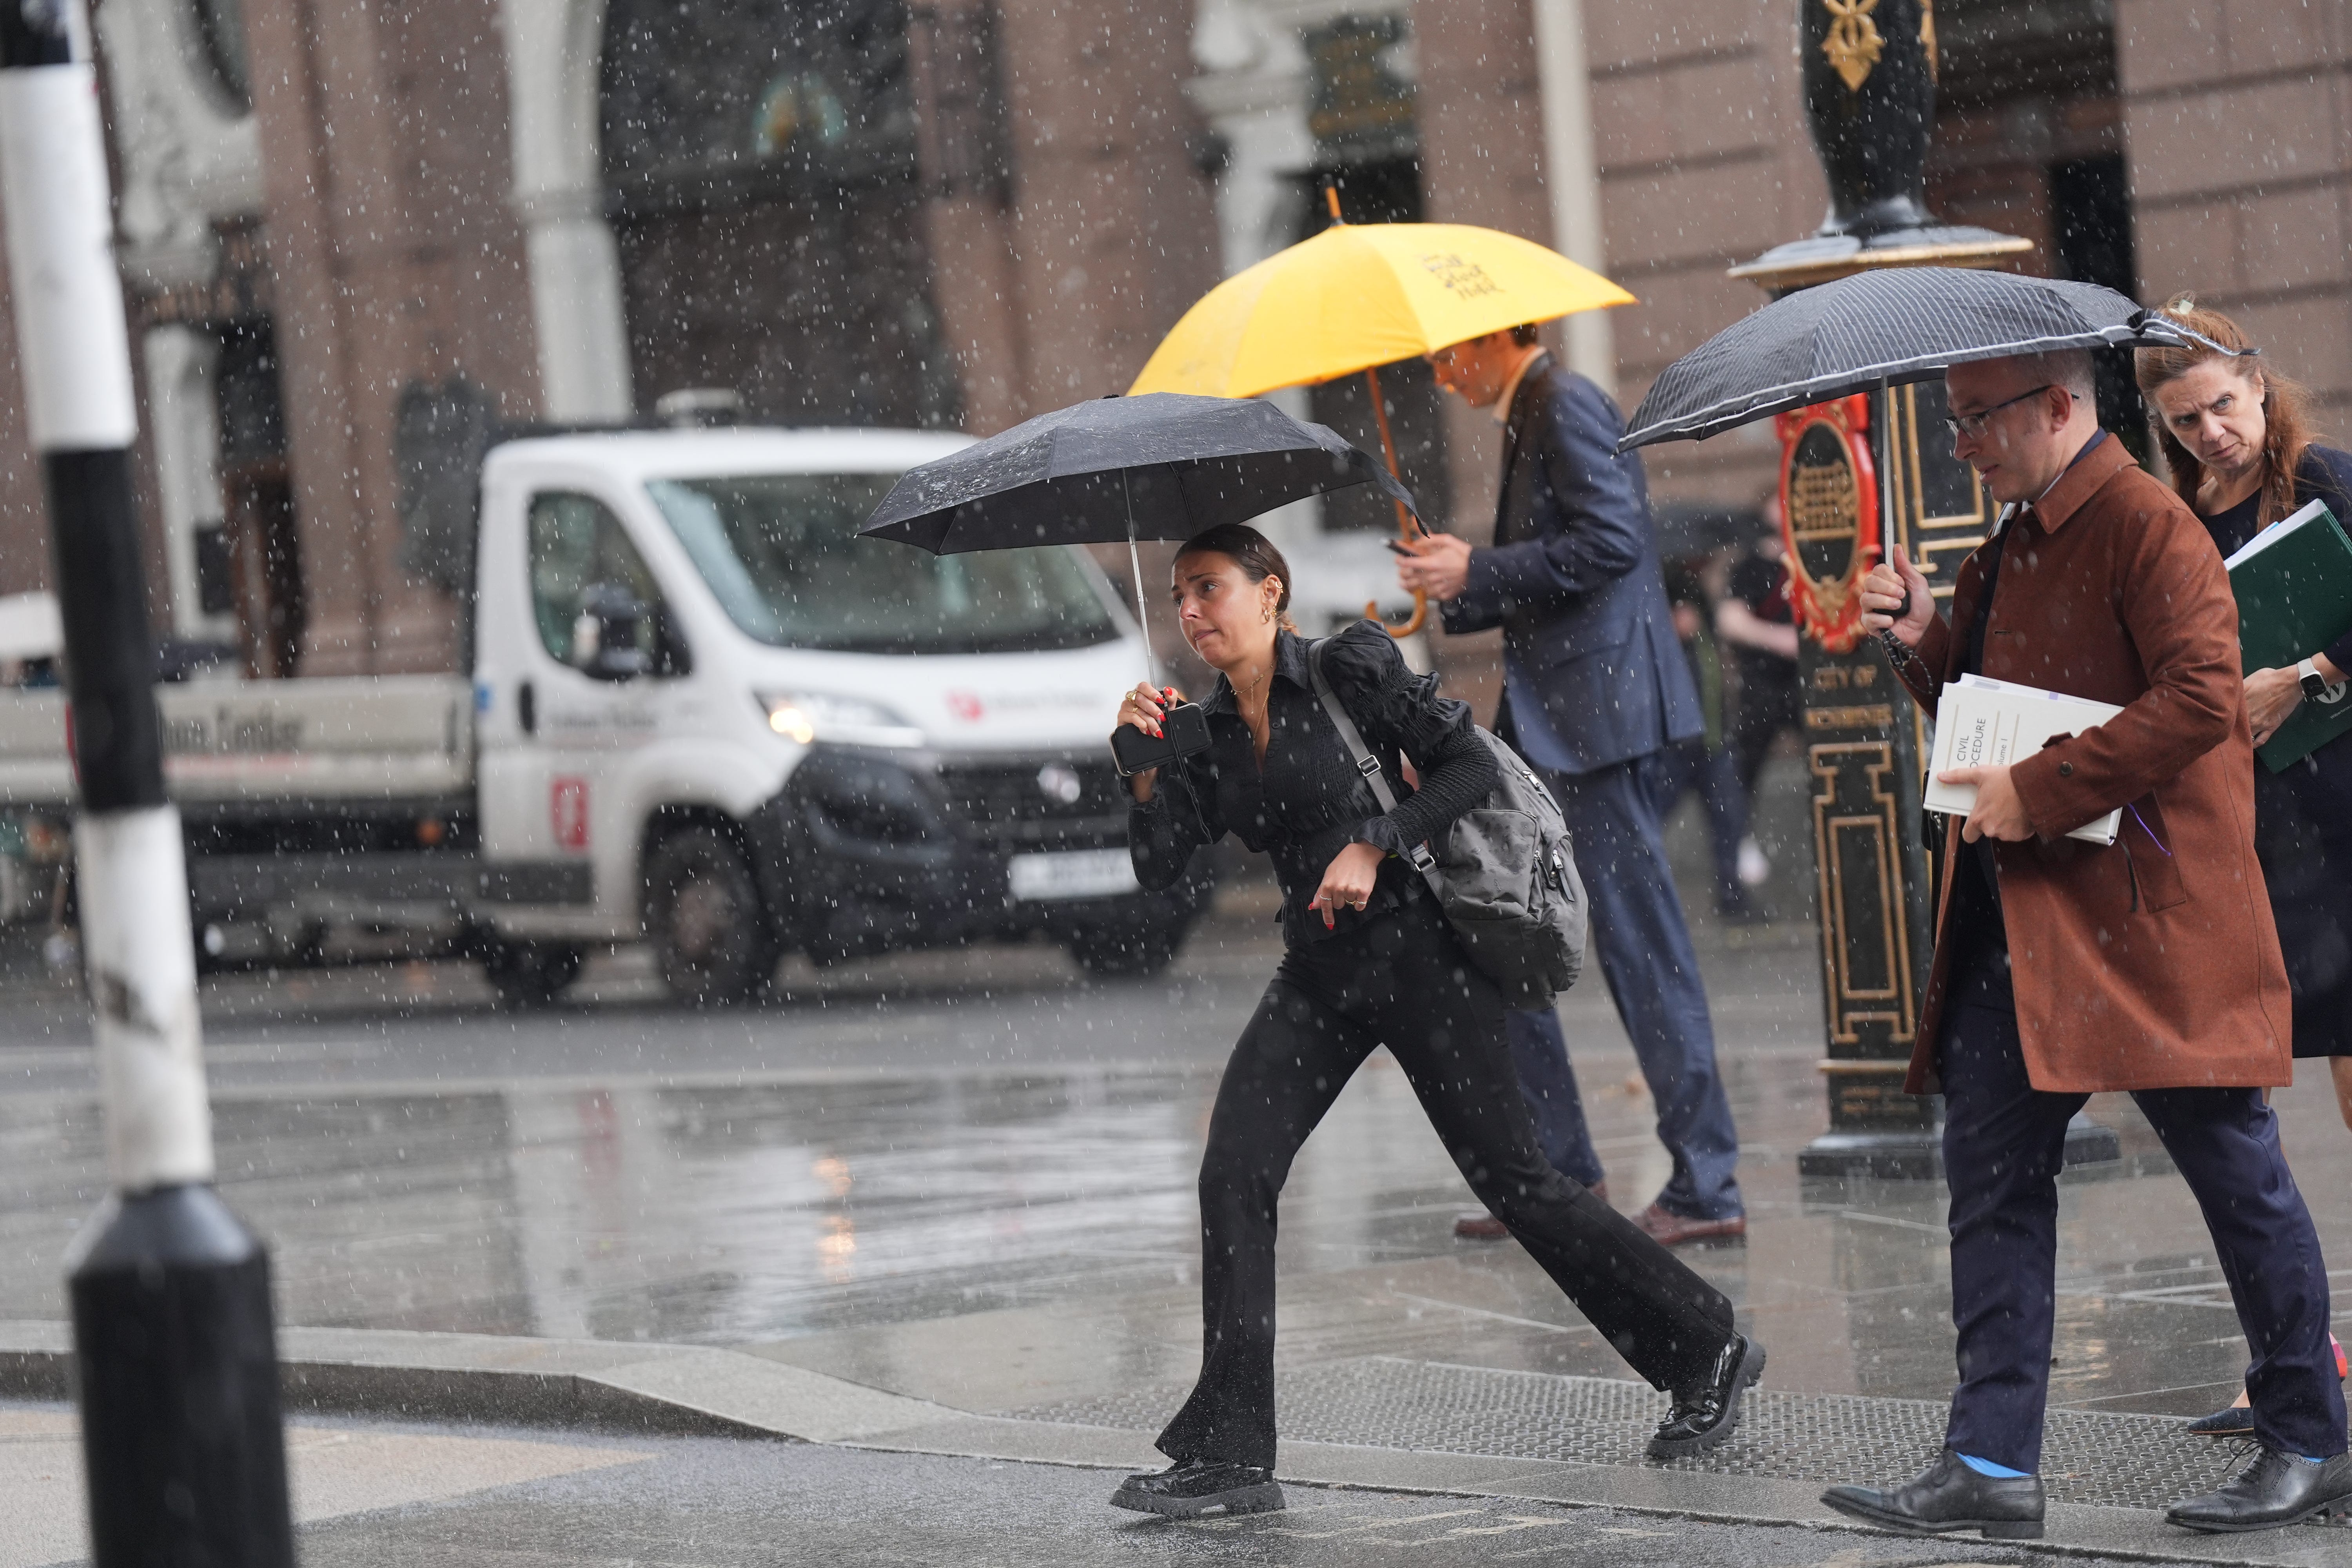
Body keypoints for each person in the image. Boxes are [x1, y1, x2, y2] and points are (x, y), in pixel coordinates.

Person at [1110, 523, 1763, 1519]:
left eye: (1210, 589)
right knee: (1234, 1171)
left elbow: (1467, 768)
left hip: (1425, 956)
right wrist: (1144, 768)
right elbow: (1161, 873)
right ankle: (1233, 1449)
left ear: (1271, 592)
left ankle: (1706, 1344)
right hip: (1318, 973)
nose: (1192, 612)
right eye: (1179, 595)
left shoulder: (1345, 666)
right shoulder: (1204, 729)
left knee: (1522, 1184)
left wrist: (1376, 840)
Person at [1822, 349, 2349, 1539]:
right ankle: (1988, 1461)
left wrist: (2040, 789)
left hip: (2147, 914)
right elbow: (1993, 702)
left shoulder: (2144, 524)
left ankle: (2309, 1436)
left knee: (2233, 1174)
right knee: (1990, 1177)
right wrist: (1922, 637)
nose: (1961, 442)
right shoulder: (2013, 536)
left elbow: (2202, 696)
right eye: (1951, 421)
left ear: (2058, 407)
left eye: (1977, 420)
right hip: (2032, 917)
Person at [1397, 325, 1745, 1248]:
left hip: (1595, 725)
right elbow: (1556, 567)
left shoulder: (1566, 404)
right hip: (1559, 722)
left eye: (1446, 354)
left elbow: (1612, 544)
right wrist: (1456, 579)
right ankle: (1556, 1173)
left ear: (1498, 337)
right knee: (1506, 937)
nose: (1439, 372)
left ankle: (1707, 1184)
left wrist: (1478, 567)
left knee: (1641, 951)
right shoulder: (1536, 412)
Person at [2133, 297, 2352, 1437]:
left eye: (2220, 405)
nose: (2209, 432)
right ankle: (2293, 1351)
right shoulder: (2177, 521)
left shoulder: (2321, 477)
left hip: (2346, 819)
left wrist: (2308, 669)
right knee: (2242, 1107)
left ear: (2256, 383)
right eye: (2184, 420)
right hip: (2248, 835)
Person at [1652, 557, 1760, 922]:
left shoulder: (1703, 607)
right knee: (1652, 816)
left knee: (1729, 819)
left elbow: (1715, 671)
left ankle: (1733, 898)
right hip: (1676, 745)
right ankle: (1631, 891)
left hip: (1715, 741)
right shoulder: (1661, 593)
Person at [1716, 505, 1800, 889]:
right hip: (1762, 687)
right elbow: (1731, 620)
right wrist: (1779, 640)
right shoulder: (1751, 566)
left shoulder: (1807, 559)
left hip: (1804, 686)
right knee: (1742, 774)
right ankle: (1738, 855)